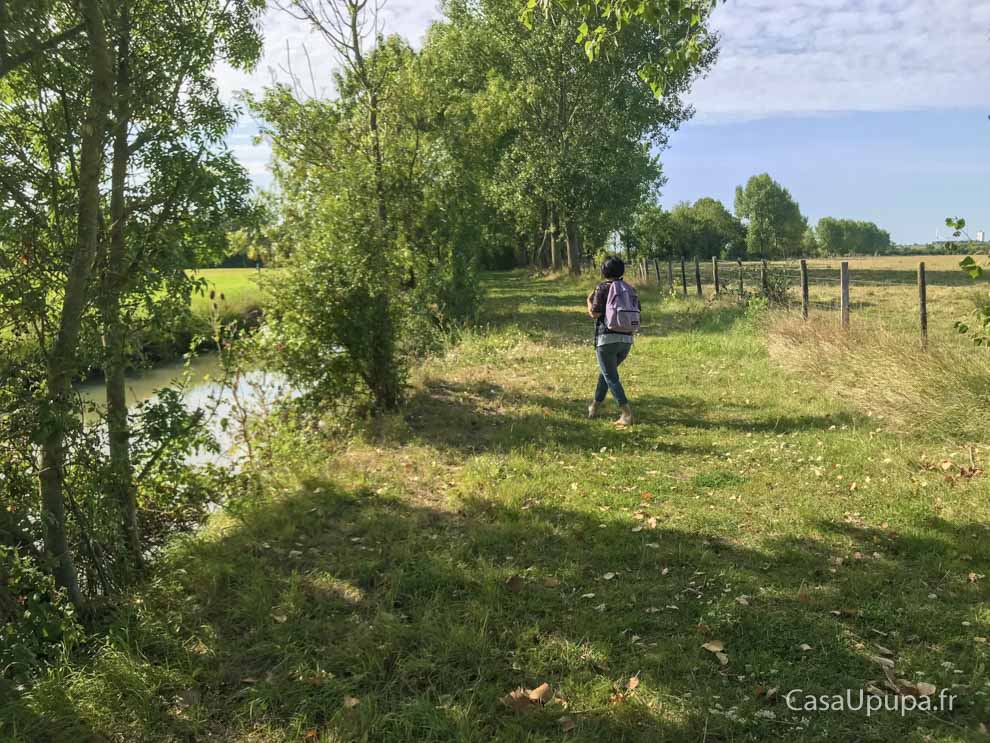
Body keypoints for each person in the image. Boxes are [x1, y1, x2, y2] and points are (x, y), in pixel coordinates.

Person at [586, 256, 638, 426]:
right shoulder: (629, 289)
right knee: (607, 373)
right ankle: (594, 407)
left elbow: (594, 313)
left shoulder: (602, 288)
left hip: (607, 339)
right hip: (627, 340)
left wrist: (588, 301)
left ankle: (627, 413)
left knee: (611, 377)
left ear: (604, 271)